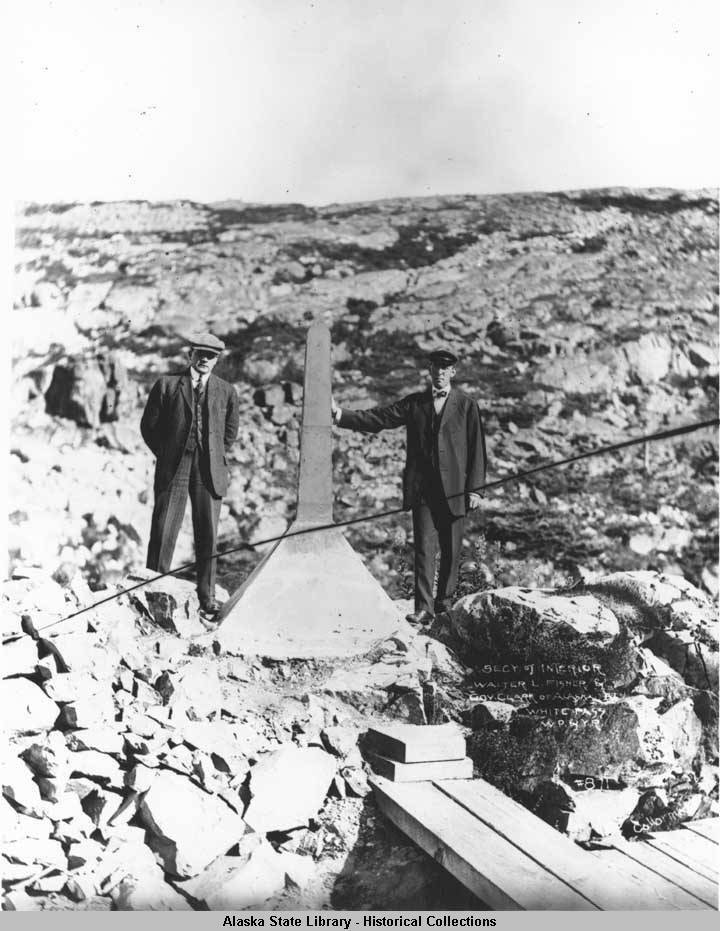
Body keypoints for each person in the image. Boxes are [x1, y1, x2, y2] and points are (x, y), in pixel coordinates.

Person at [332, 349, 486, 624]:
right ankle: (423, 608)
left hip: (455, 491)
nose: (439, 372)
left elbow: (477, 449)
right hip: (424, 491)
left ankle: (445, 606)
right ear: (429, 370)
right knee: (424, 549)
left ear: (453, 372)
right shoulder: (415, 403)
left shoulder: (466, 405)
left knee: (451, 550)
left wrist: (475, 489)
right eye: (435, 367)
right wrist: (340, 415)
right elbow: (380, 418)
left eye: (444, 368)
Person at [140, 332, 239, 618]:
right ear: (190, 355)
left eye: (211, 356)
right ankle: (154, 590)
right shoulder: (167, 385)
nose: (205, 359)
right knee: (163, 529)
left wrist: (212, 454)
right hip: (175, 466)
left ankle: (207, 597)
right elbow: (149, 427)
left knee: (207, 532)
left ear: (217, 360)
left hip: (209, 469)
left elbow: (229, 433)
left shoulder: (227, 391)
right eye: (200, 354)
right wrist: (168, 452)